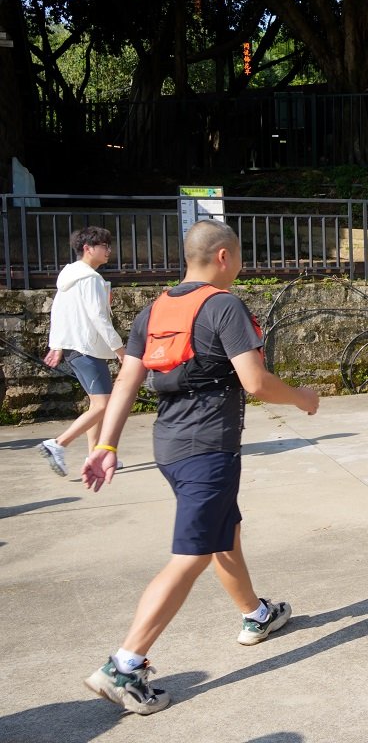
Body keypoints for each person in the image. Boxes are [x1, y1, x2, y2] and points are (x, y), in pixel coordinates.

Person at [79, 219, 320, 715]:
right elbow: (255, 381)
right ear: (224, 256)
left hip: (169, 446)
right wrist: (301, 398)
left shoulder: (155, 308)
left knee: (223, 531)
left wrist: (106, 443)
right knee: (192, 554)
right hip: (208, 450)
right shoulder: (224, 305)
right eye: (241, 256)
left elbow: (126, 381)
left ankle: (256, 614)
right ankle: (124, 665)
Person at [37, 227, 126, 477]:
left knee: (97, 404)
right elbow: (99, 317)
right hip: (87, 349)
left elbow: (59, 313)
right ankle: (58, 444)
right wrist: (119, 349)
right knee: (103, 404)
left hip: (77, 348)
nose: (108, 250)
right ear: (88, 248)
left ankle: (94, 455)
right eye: (104, 246)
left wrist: (57, 344)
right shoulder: (89, 278)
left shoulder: (70, 276)